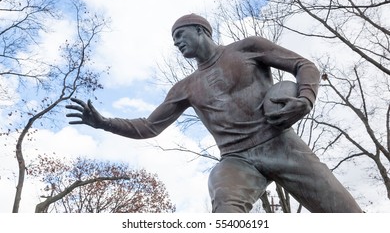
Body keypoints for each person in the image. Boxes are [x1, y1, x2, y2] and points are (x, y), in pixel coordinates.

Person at [66, 13, 362, 213]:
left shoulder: (247, 48)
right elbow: (149, 127)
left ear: (201, 30)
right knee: (226, 204)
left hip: (280, 144)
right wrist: (104, 123)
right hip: (237, 160)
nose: (177, 42)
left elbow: (304, 66)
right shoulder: (185, 87)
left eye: (181, 34)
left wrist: (306, 97)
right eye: (174, 40)